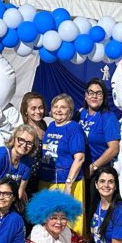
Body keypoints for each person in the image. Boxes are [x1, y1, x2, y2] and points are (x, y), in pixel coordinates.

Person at [37, 94, 87, 232]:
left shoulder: (74, 128)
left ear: (70, 110)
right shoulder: (51, 126)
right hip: (47, 181)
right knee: (47, 223)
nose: (58, 110)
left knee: (69, 222)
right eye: (55, 106)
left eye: (63, 107)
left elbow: (79, 158)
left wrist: (68, 185)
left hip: (67, 182)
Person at [79, 79, 121, 214]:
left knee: (92, 213)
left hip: (96, 174)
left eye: (98, 93)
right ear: (85, 96)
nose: (94, 96)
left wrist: (93, 167)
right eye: (91, 92)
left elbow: (114, 148)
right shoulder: (80, 114)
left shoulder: (108, 117)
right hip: (78, 171)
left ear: (103, 97)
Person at [19, 92, 48, 193]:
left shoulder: (44, 125)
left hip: (44, 177)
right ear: (26, 111)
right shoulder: (23, 130)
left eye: (40, 107)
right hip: (28, 179)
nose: (38, 111)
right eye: (33, 108)